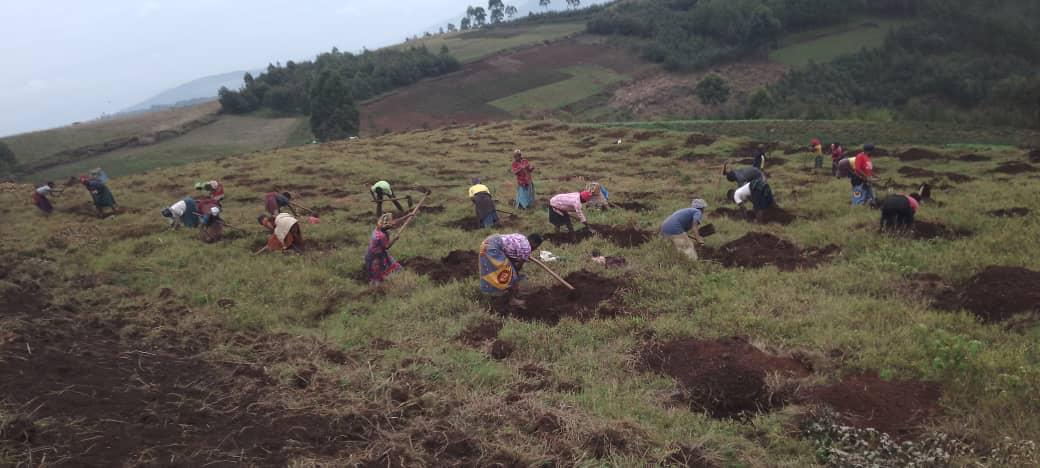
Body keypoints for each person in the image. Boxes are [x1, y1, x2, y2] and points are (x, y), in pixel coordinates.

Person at [479, 233, 544, 306]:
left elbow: (509, 254)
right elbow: (518, 267)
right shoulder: (527, 248)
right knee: (510, 274)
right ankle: (512, 300)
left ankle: (497, 293)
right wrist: (515, 279)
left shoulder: (522, 238)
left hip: (487, 242)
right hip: (493, 248)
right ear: (533, 243)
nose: (535, 249)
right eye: (536, 246)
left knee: (494, 271)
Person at [364, 213, 409, 285]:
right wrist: (395, 239)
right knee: (376, 277)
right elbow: (387, 247)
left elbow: (394, 222)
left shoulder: (379, 226)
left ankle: (399, 280)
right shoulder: (380, 236)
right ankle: (377, 289)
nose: (392, 226)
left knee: (397, 268)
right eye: (390, 225)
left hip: (381, 253)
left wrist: (407, 216)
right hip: (374, 256)